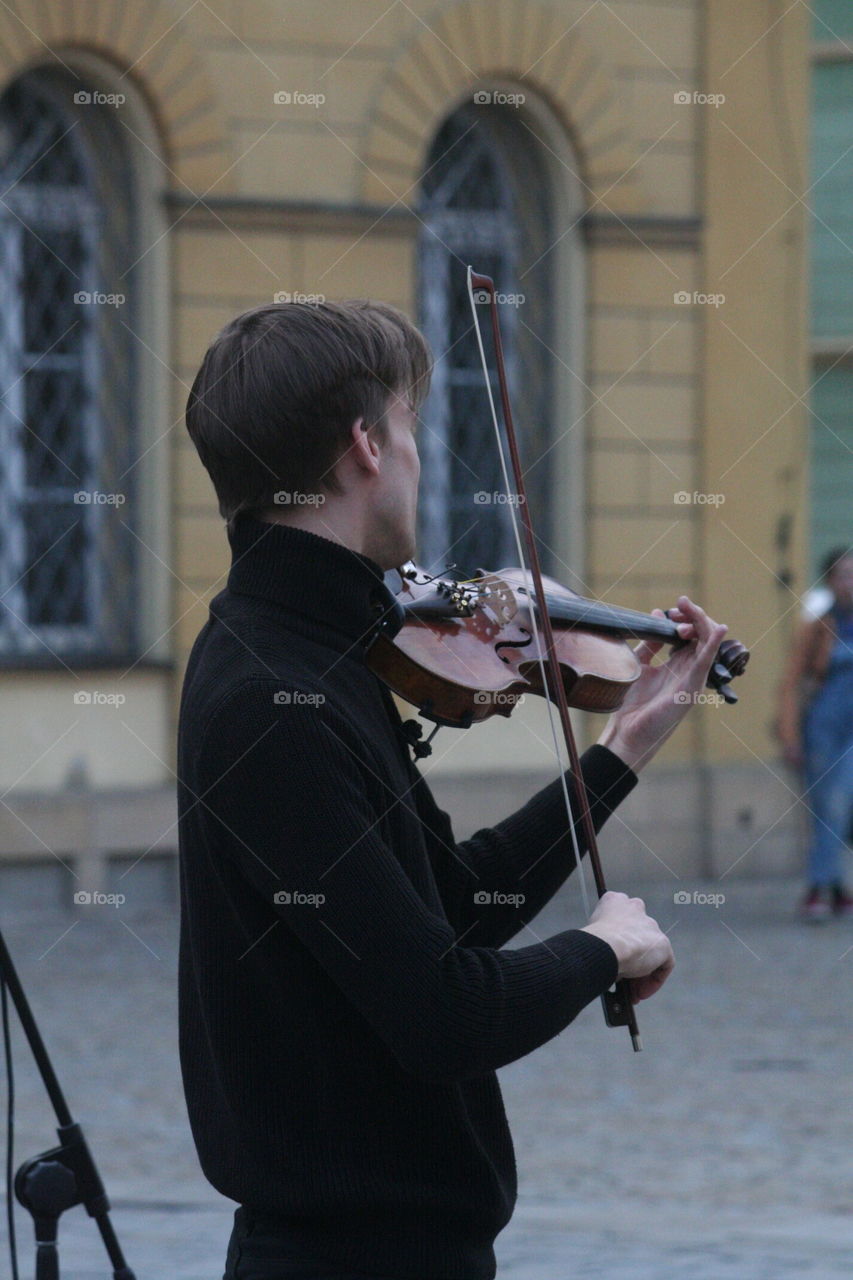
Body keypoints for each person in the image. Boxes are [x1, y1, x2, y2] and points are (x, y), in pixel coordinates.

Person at [178, 300, 729, 1280]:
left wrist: (620, 751)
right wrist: (601, 945)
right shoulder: (276, 698)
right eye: (410, 426)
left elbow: (454, 908)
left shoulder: (313, 652)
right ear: (365, 447)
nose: (418, 456)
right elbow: (443, 1013)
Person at [777, 546, 853, 922]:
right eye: (844, 575)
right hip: (825, 727)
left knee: (841, 807)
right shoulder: (816, 628)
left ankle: (826, 887)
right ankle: (826, 889)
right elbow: (790, 684)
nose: (851, 583)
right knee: (828, 807)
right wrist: (790, 736)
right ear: (830, 582)